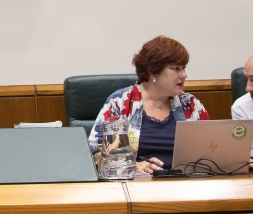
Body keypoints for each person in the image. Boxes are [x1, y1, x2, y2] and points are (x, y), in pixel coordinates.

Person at [88, 36, 210, 174]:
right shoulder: (120, 102)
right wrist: (134, 166)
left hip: (186, 184)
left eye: (184, 68)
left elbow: (210, 151)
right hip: (137, 186)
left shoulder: (191, 105)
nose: (184, 75)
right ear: (153, 71)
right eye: (176, 69)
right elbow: (95, 153)